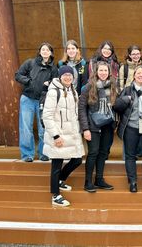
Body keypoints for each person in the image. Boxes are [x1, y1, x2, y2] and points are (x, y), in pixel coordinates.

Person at [42, 66, 84, 207]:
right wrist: (55, 135)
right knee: (56, 166)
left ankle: (60, 180)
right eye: (65, 75)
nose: (68, 77)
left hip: (71, 133)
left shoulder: (72, 90)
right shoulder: (54, 92)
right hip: (58, 134)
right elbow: (47, 116)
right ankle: (55, 195)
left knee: (77, 159)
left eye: (70, 75)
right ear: (60, 76)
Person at [15, 42, 58, 162]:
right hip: (27, 99)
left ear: (50, 53)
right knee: (26, 128)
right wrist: (29, 81)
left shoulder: (54, 68)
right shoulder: (30, 63)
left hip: (43, 101)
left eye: (47, 50)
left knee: (43, 129)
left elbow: (55, 83)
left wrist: (49, 84)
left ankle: (44, 153)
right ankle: (27, 155)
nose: (45, 52)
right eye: (43, 49)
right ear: (39, 51)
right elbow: (18, 75)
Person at [78, 62, 117, 193]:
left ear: (109, 72)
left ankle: (99, 179)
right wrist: (85, 129)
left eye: (105, 70)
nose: (103, 73)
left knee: (103, 153)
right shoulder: (89, 86)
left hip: (108, 125)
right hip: (92, 126)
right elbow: (82, 108)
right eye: (101, 70)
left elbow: (116, 105)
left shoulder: (113, 86)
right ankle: (88, 181)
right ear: (96, 71)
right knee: (93, 152)